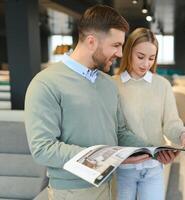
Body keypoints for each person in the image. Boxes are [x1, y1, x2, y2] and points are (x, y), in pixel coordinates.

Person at [25, 5, 154, 200]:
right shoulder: (45, 83)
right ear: (92, 42)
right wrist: (103, 157)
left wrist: (150, 150)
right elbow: (43, 149)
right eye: (116, 45)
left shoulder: (108, 84)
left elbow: (119, 132)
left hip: (111, 184)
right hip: (72, 192)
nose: (120, 53)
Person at [113, 28, 185, 200]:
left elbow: (171, 122)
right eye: (140, 56)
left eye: (151, 58)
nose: (146, 64)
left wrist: (183, 134)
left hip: (153, 166)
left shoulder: (162, 85)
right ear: (128, 52)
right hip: (123, 168)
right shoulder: (112, 85)